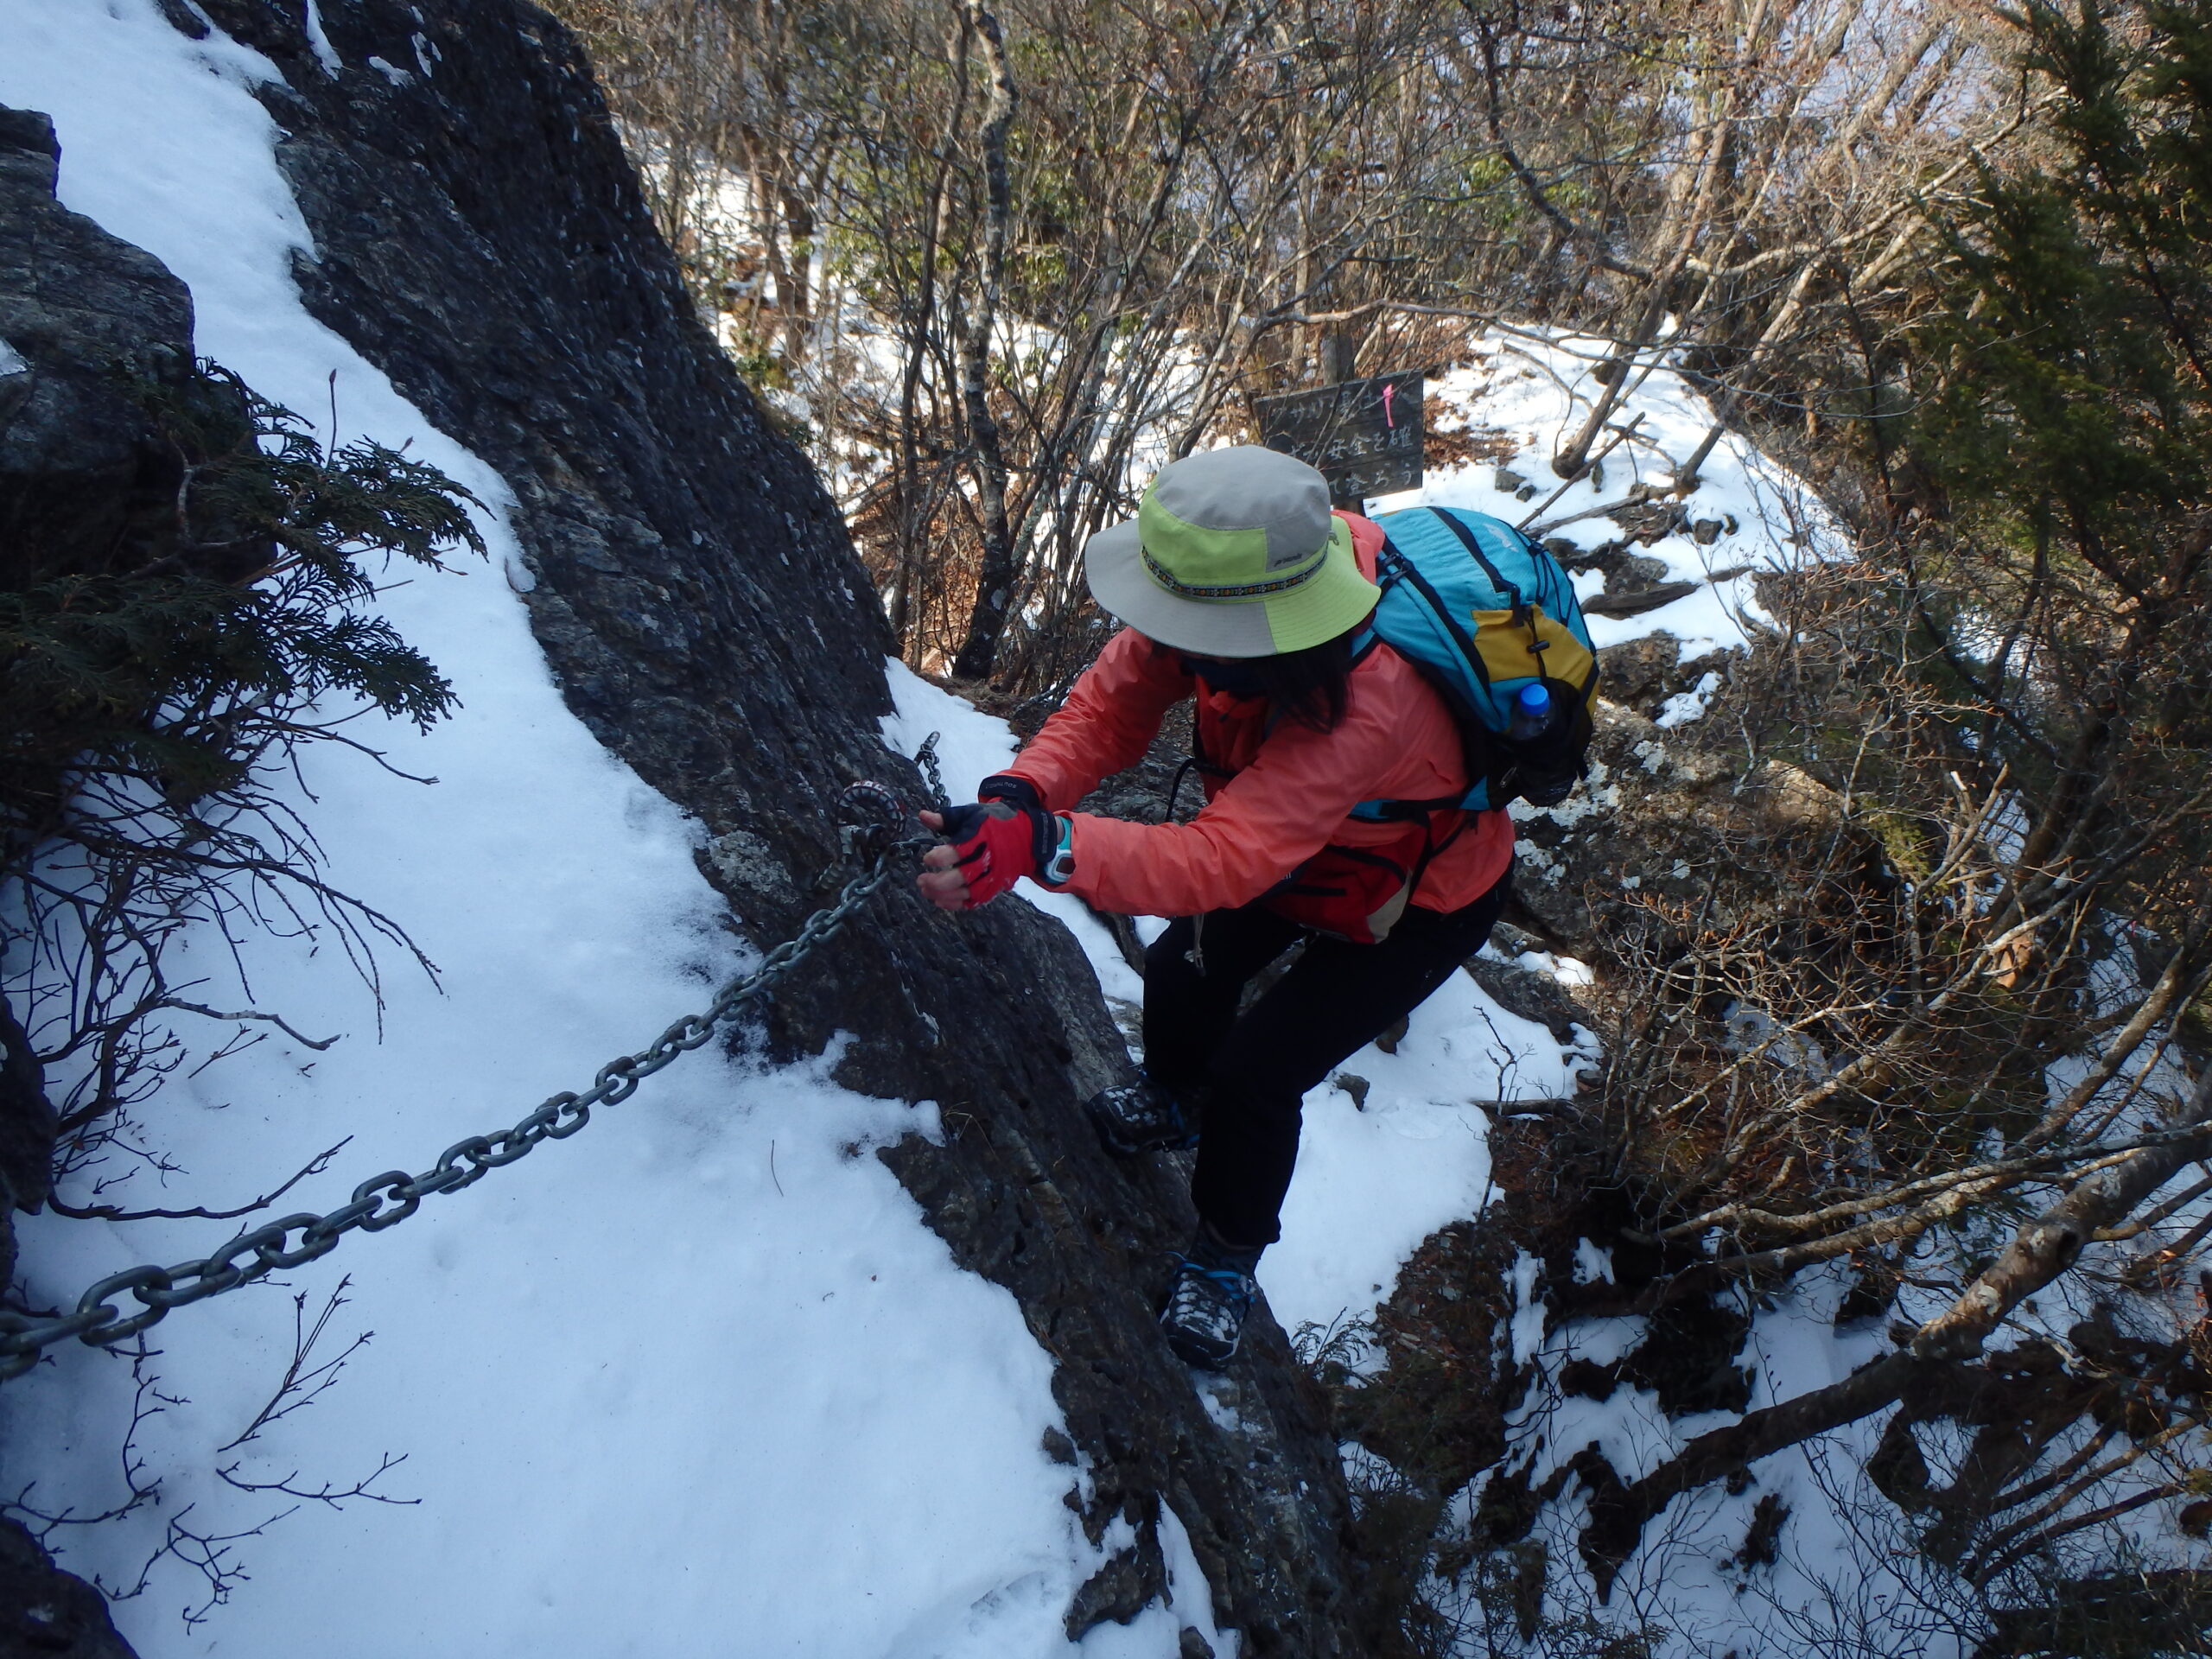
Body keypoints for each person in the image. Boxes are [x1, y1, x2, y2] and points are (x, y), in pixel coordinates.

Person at [918, 445, 1514, 1367]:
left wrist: (1044, 845)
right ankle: (1174, 1095)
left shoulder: (1372, 699)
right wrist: (1017, 797)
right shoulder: (1219, 594)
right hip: (1304, 851)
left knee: (1260, 1072)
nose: (1162, 636)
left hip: (1423, 894)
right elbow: (1108, 709)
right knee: (1180, 970)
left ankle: (1226, 1256)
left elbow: (1225, 858)